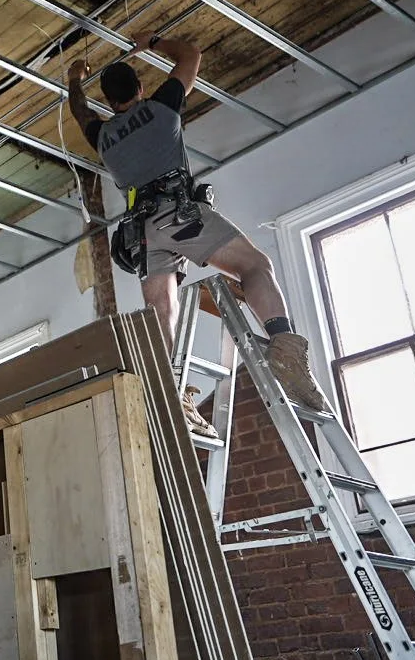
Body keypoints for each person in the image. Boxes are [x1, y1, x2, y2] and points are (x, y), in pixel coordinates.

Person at [66, 34, 329, 439]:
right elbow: (192, 52)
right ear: (139, 89)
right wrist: (151, 42)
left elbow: (79, 110)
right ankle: (285, 349)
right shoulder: (161, 107)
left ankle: (167, 395)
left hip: (143, 234)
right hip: (180, 215)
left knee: (161, 317)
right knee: (255, 266)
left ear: (109, 100)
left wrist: (74, 78)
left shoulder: (102, 137)